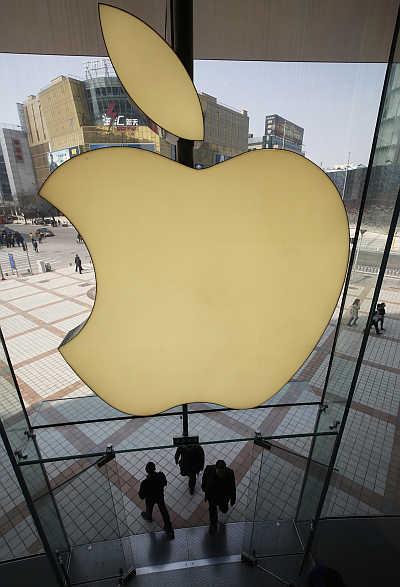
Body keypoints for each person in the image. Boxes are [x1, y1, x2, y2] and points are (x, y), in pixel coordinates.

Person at [139, 462, 174, 539]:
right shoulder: (161, 475)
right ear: (154, 468)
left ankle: (149, 517)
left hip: (150, 499)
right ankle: (168, 528)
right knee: (163, 510)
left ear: (146, 471)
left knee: (149, 508)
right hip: (159, 496)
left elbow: (141, 496)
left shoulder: (145, 483)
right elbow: (165, 483)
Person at [202, 460, 236, 534]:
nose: (221, 474)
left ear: (225, 469)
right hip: (212, 497)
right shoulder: (209, 469)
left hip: (223, 498)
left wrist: (233, 499)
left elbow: (232, 487)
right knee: (212, 511)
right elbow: (204, 479)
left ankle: (223, 509)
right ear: (215, 468)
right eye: (219, 472)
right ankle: (213, 524)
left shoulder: (230, 473)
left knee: (224, 509)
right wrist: (204, 488)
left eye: (222, 472)